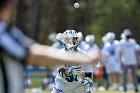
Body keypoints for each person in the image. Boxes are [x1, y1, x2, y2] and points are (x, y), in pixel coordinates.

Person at [0, 1, 100, 93]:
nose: (72, 42)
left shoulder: (82, 53)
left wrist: (87, 80)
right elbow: (35, 55)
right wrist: (75, 67)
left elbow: (88, 71)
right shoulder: (3, 33)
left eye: (73, 39)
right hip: (63, 85)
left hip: (78, 86)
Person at [119, 29, 139, 93]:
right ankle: (124, 89)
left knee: (134, 76)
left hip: (133, 61)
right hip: (125, 61)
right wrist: (121, 60)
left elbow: (135, 51)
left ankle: (136, 88)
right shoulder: (122, 42)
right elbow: (120, 52)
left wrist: (137, 60)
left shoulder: (133, 41)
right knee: (124, 76)